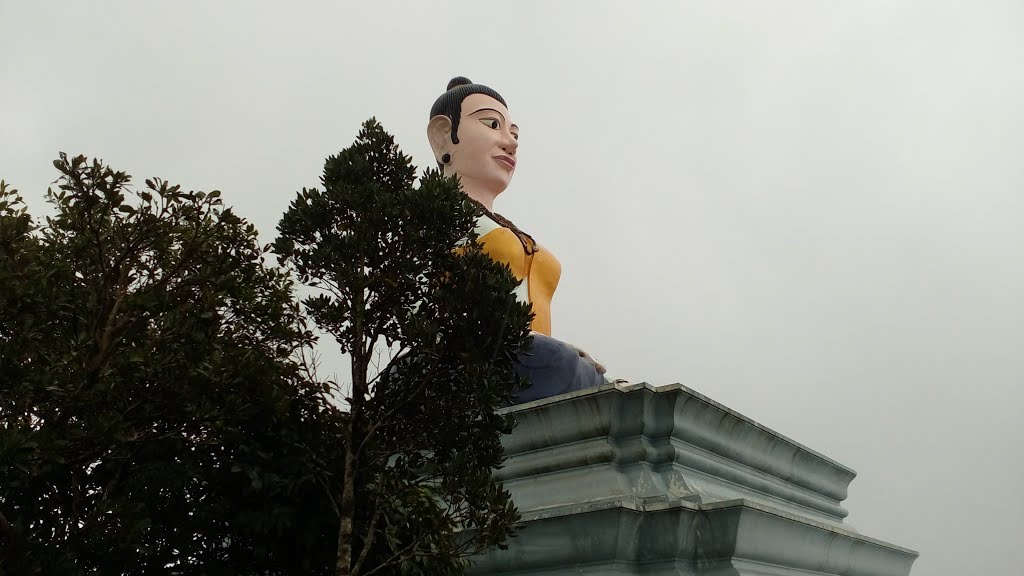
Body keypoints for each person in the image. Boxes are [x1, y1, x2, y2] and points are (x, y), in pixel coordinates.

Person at [427, 76, 607, 403]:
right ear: (443, 137)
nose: (510, 143)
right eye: (492, 124)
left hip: (527, 360)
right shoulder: (433, 216)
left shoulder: (504, 227)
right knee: (566, 365)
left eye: (513, 133)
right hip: (464, 363)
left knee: (582, 373)